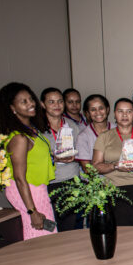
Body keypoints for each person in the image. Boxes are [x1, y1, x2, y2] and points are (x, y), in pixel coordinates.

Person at [0, 82, 57, 240]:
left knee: (48, 234)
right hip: (29, 190)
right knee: (40, 236)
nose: (31, 103)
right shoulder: (19, 137)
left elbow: (34, 158)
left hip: (37, 188)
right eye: (24, 101)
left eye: (31, 99)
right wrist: (32, 211)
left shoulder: (31, 130)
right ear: (12, 108)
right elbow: (19, 177)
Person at [40, 87, 83, 231]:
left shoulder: (71, 125)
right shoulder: (38, 128)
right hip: (50, 183)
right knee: (52, 227)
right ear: (42, 104)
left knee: (72, 226)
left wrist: (75, 156)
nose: (57, 105)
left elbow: (81, 150)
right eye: (51, 102)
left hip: (72, 180)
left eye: (59, 101)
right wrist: (53, 157)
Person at [91, 98, 133, 186]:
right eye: (120, 111)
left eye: (129, 111)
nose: (125, 115)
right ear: (114, 114)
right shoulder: (104, 136)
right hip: (113, 187)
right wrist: (114, 166)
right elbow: (95, 166)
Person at [75, 94, 112, 172]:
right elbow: (87, 169)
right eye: (93, 110)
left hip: (118, 180)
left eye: (101, 108)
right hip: (96, 182)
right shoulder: (83, 136)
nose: (98, 112)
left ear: (107, 109)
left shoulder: (118, 129)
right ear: (87, 113)